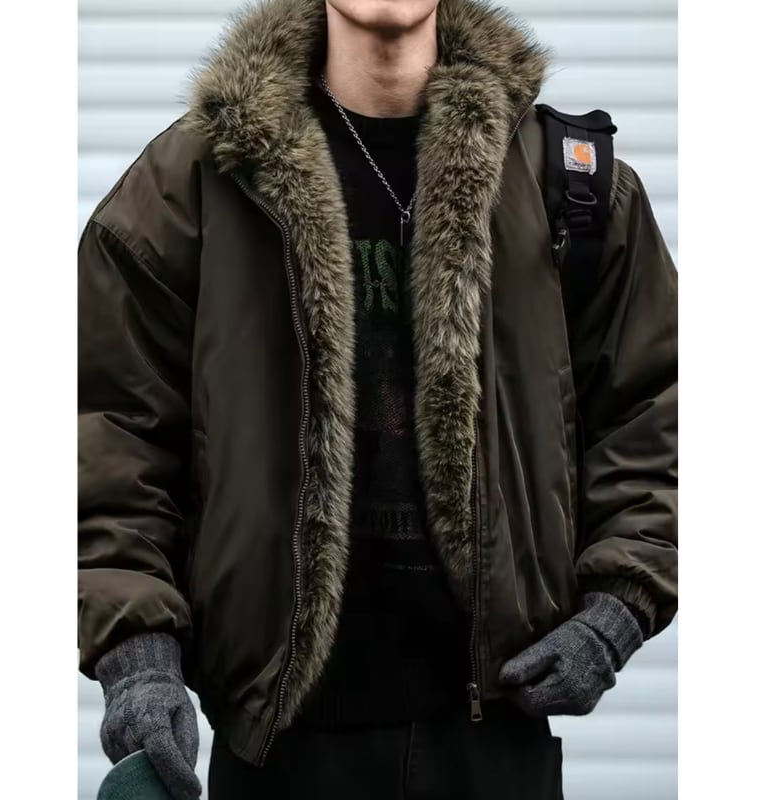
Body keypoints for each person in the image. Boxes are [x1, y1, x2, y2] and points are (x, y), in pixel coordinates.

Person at [77, 0, 678, 798]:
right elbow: (107, 430)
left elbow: (659, 415)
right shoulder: (197, 179)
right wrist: (138, 654)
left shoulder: (566, 183)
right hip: (279, 750)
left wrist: (617, 612)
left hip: (495, 742)